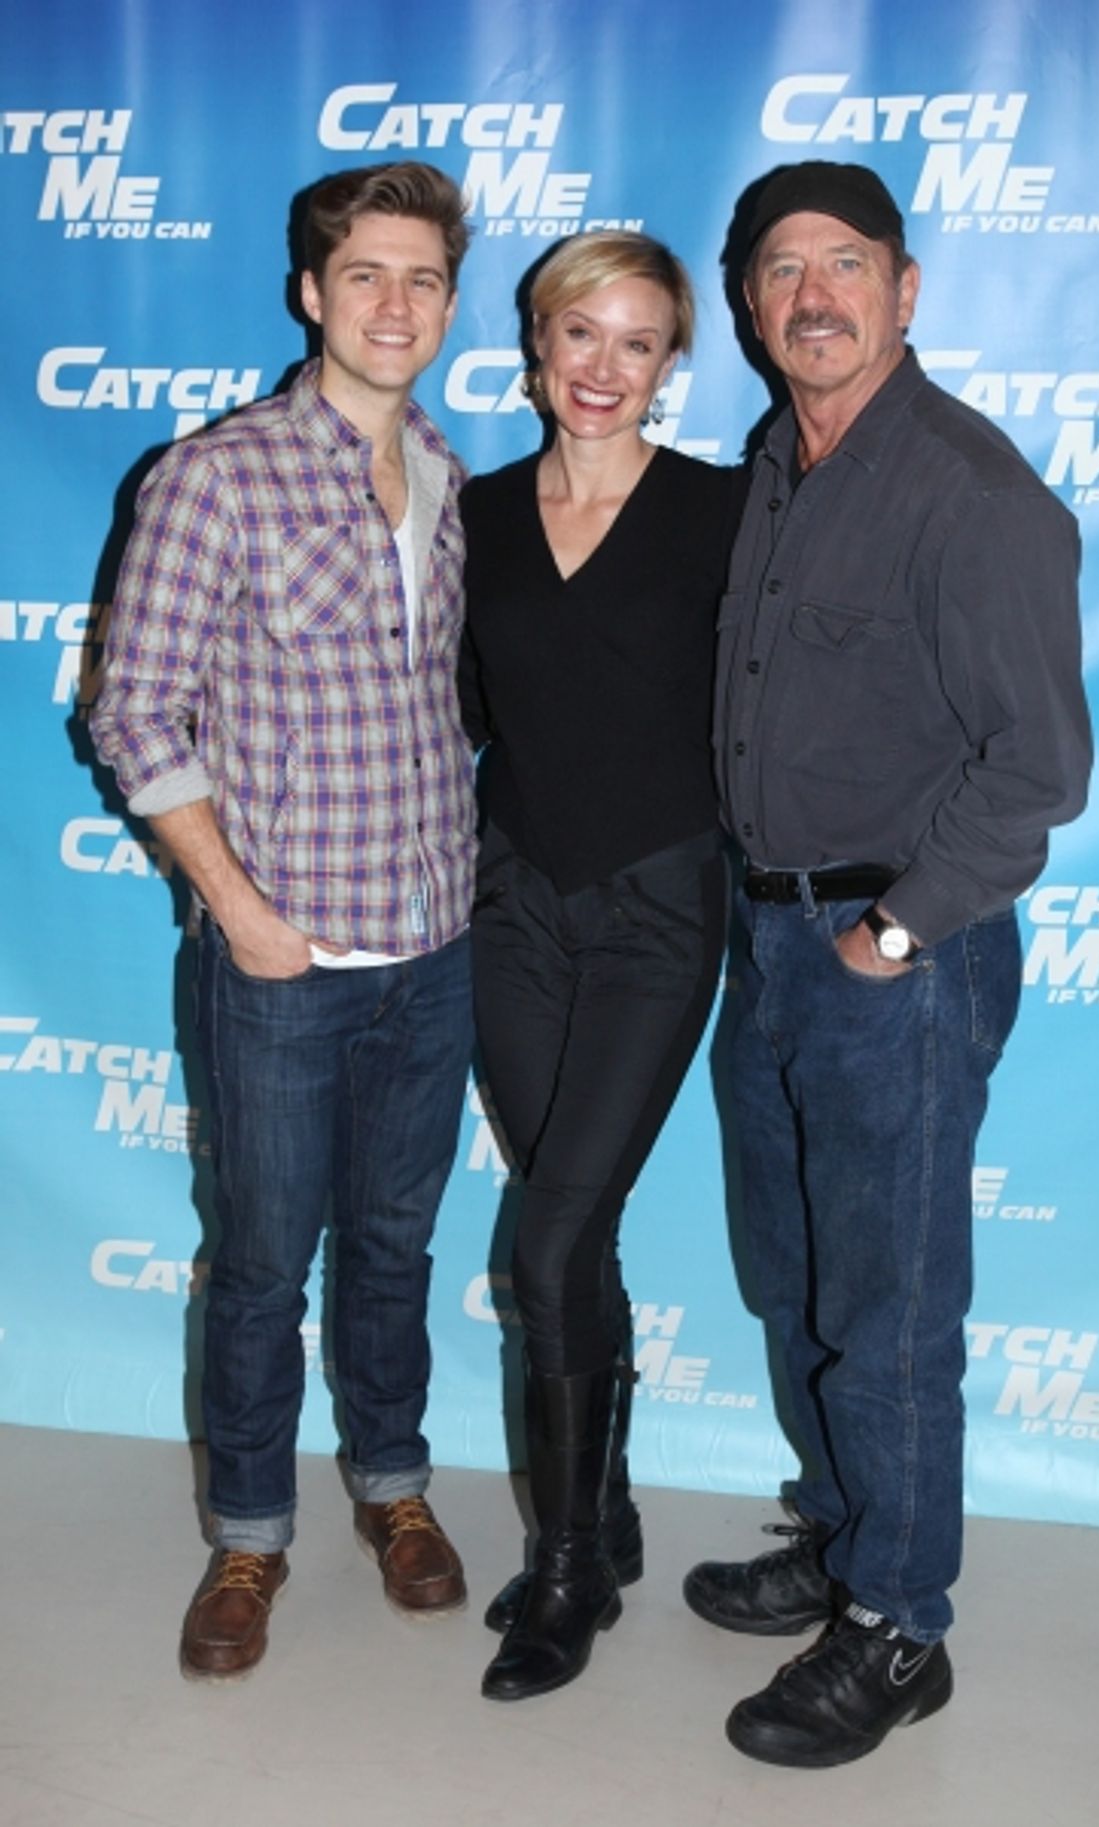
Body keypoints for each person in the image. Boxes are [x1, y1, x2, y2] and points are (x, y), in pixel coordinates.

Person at [684, 161, 1092, 1767]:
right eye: (778, 269)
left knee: (892, 1309)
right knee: (793, 1283)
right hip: (766, 939)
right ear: (750, 305)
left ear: (905, 289)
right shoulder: (778, 462)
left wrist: (892, 934)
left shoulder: (972, 493)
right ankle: (845, 1535)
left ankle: (900, 1624)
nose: (810, 294)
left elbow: (1035, 770)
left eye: (842, 262)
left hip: (891, 965)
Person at [92, 162, 478, 1681]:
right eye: (367, 275)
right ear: (310, 294)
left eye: (426, 280)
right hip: (278, 967)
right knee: (261, 1263)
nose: (398, 305)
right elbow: (131, 713)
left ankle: (395, 1493)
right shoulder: (215, 476)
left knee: (392, 1249)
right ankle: (249, 1535)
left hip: (432, 953)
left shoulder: (446, 474)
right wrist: (239, 909)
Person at [458, 231, 743, 1702]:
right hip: (509, 903)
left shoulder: (724, 510)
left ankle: (566, 1575)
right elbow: (442, 707)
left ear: (669, 364)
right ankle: (607, 1515)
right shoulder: (477, 512)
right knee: (574, 1237)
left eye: (638, 343)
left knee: (553, 1240)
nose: (605, 368)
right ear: (539, 342)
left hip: (656, 909)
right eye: (585, 334)